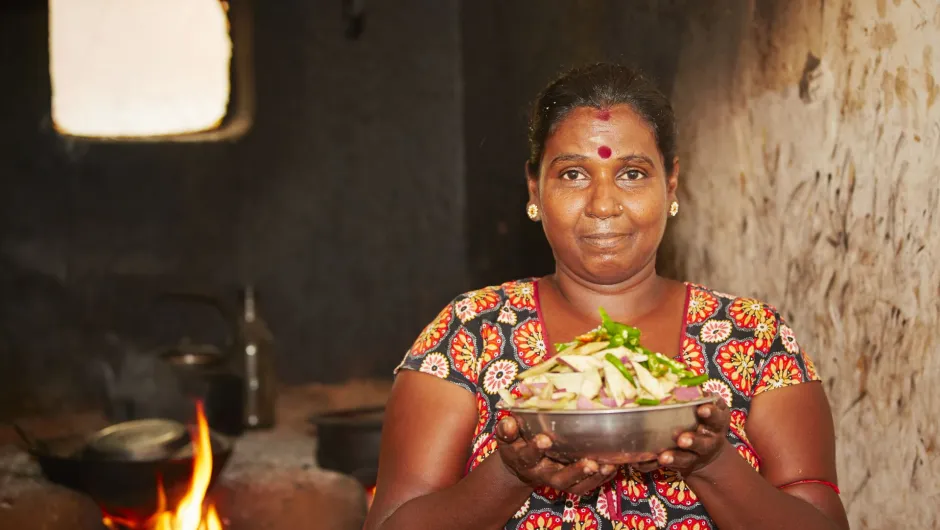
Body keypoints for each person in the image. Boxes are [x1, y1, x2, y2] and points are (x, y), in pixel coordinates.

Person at [362, 63, 849, 530]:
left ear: (671, 183)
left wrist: (715, 464)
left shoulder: (753, 338)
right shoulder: (470, 334)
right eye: (573, 174)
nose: (603, 205)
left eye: (632, 173)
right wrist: (509, 475)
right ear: (534, 188)